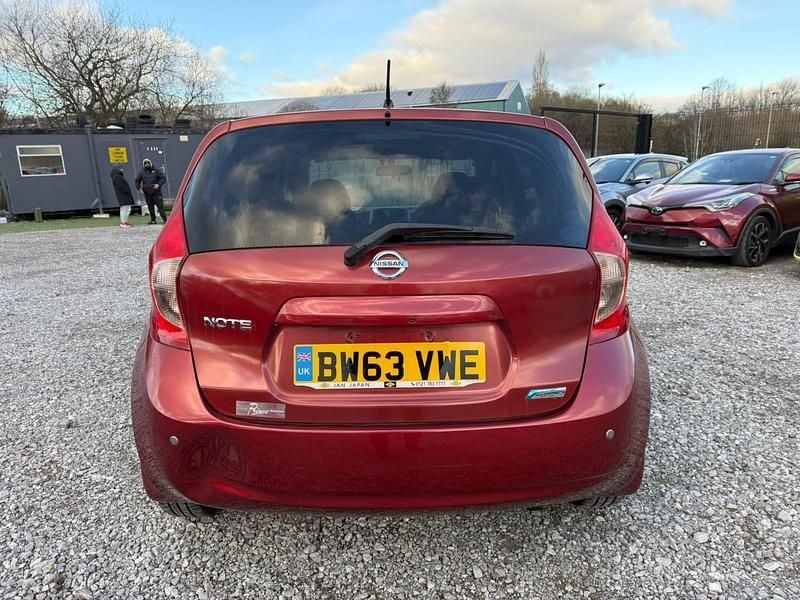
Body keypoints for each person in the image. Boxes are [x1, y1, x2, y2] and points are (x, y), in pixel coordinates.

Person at [135, 158, 167, 224]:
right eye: (145, 164)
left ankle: (165, 219)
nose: (147, 165)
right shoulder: (141, 172)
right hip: (147, 193)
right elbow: (137, 181)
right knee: (150, 207)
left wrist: (158, 184)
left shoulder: (156, 171)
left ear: (150, 163)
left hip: (156, 192)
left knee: (160, 207)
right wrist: (139, 188)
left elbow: (163, 178)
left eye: (148, 163)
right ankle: (153, 220)